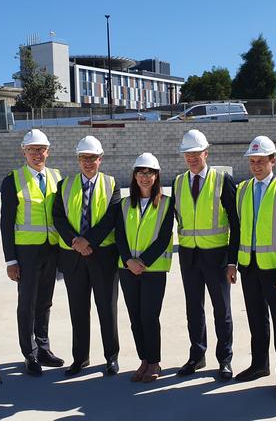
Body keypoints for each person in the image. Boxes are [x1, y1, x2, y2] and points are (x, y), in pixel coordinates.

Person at [227, 136, 276, 400]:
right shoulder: (243, 189)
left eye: (261, 161)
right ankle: (259, 365)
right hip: (249, 268)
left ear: (273, 160)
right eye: (253, 161)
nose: (256, 166)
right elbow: (237, 230)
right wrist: (232, 261)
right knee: (256, 321)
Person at [171, 129, 239, 381]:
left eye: (195, 153)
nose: (191, 158)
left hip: (217, 256)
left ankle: (225, 359)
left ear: (205, 153)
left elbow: (236, 223)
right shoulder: (178, 182)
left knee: (221, 310)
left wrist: (233, 261)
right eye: (187, 154)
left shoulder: (222, 180)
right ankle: (197, 355)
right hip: (189, 257)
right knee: (194, 309)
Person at [53, 135, 121, 376]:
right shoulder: (65, 185)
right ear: (78, 159)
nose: (88, 162)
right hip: (74, 257)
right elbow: (58, 218)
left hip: (102, 257)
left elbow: (111, 218)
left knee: (107, 309)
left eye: (92, 158)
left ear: (100, 159)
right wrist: (75, 242)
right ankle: (80, 357)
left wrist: (87, 241)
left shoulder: (112, 184)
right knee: (78, 309)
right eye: (83, 158)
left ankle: (111, 357)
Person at [1, 129, 64, 376]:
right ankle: (29, 354)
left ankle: (44, 348)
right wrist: (11, 260)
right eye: (32, 150)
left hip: (51, 249)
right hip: (26, 252)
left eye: (41, 149)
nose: (37, 154)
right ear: (23, 152)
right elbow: (6, 223)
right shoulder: (12, 179)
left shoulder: (57, 177)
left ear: (48, 151)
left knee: (45, 302)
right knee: (26, 304)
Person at [115, 153, 174, 383]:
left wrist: (143, 262)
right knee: (135, 318)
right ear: (134, 175)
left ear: (156, 175)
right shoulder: (123, 204)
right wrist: (129, 260)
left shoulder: (167, 203)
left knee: (149, 316)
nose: (145, 177)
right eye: (141, 172)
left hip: (153, 270)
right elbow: (119, 236)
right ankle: (144, 360)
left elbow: (164, 237)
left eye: (149, 172)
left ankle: (155, 362)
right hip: (127, 269)